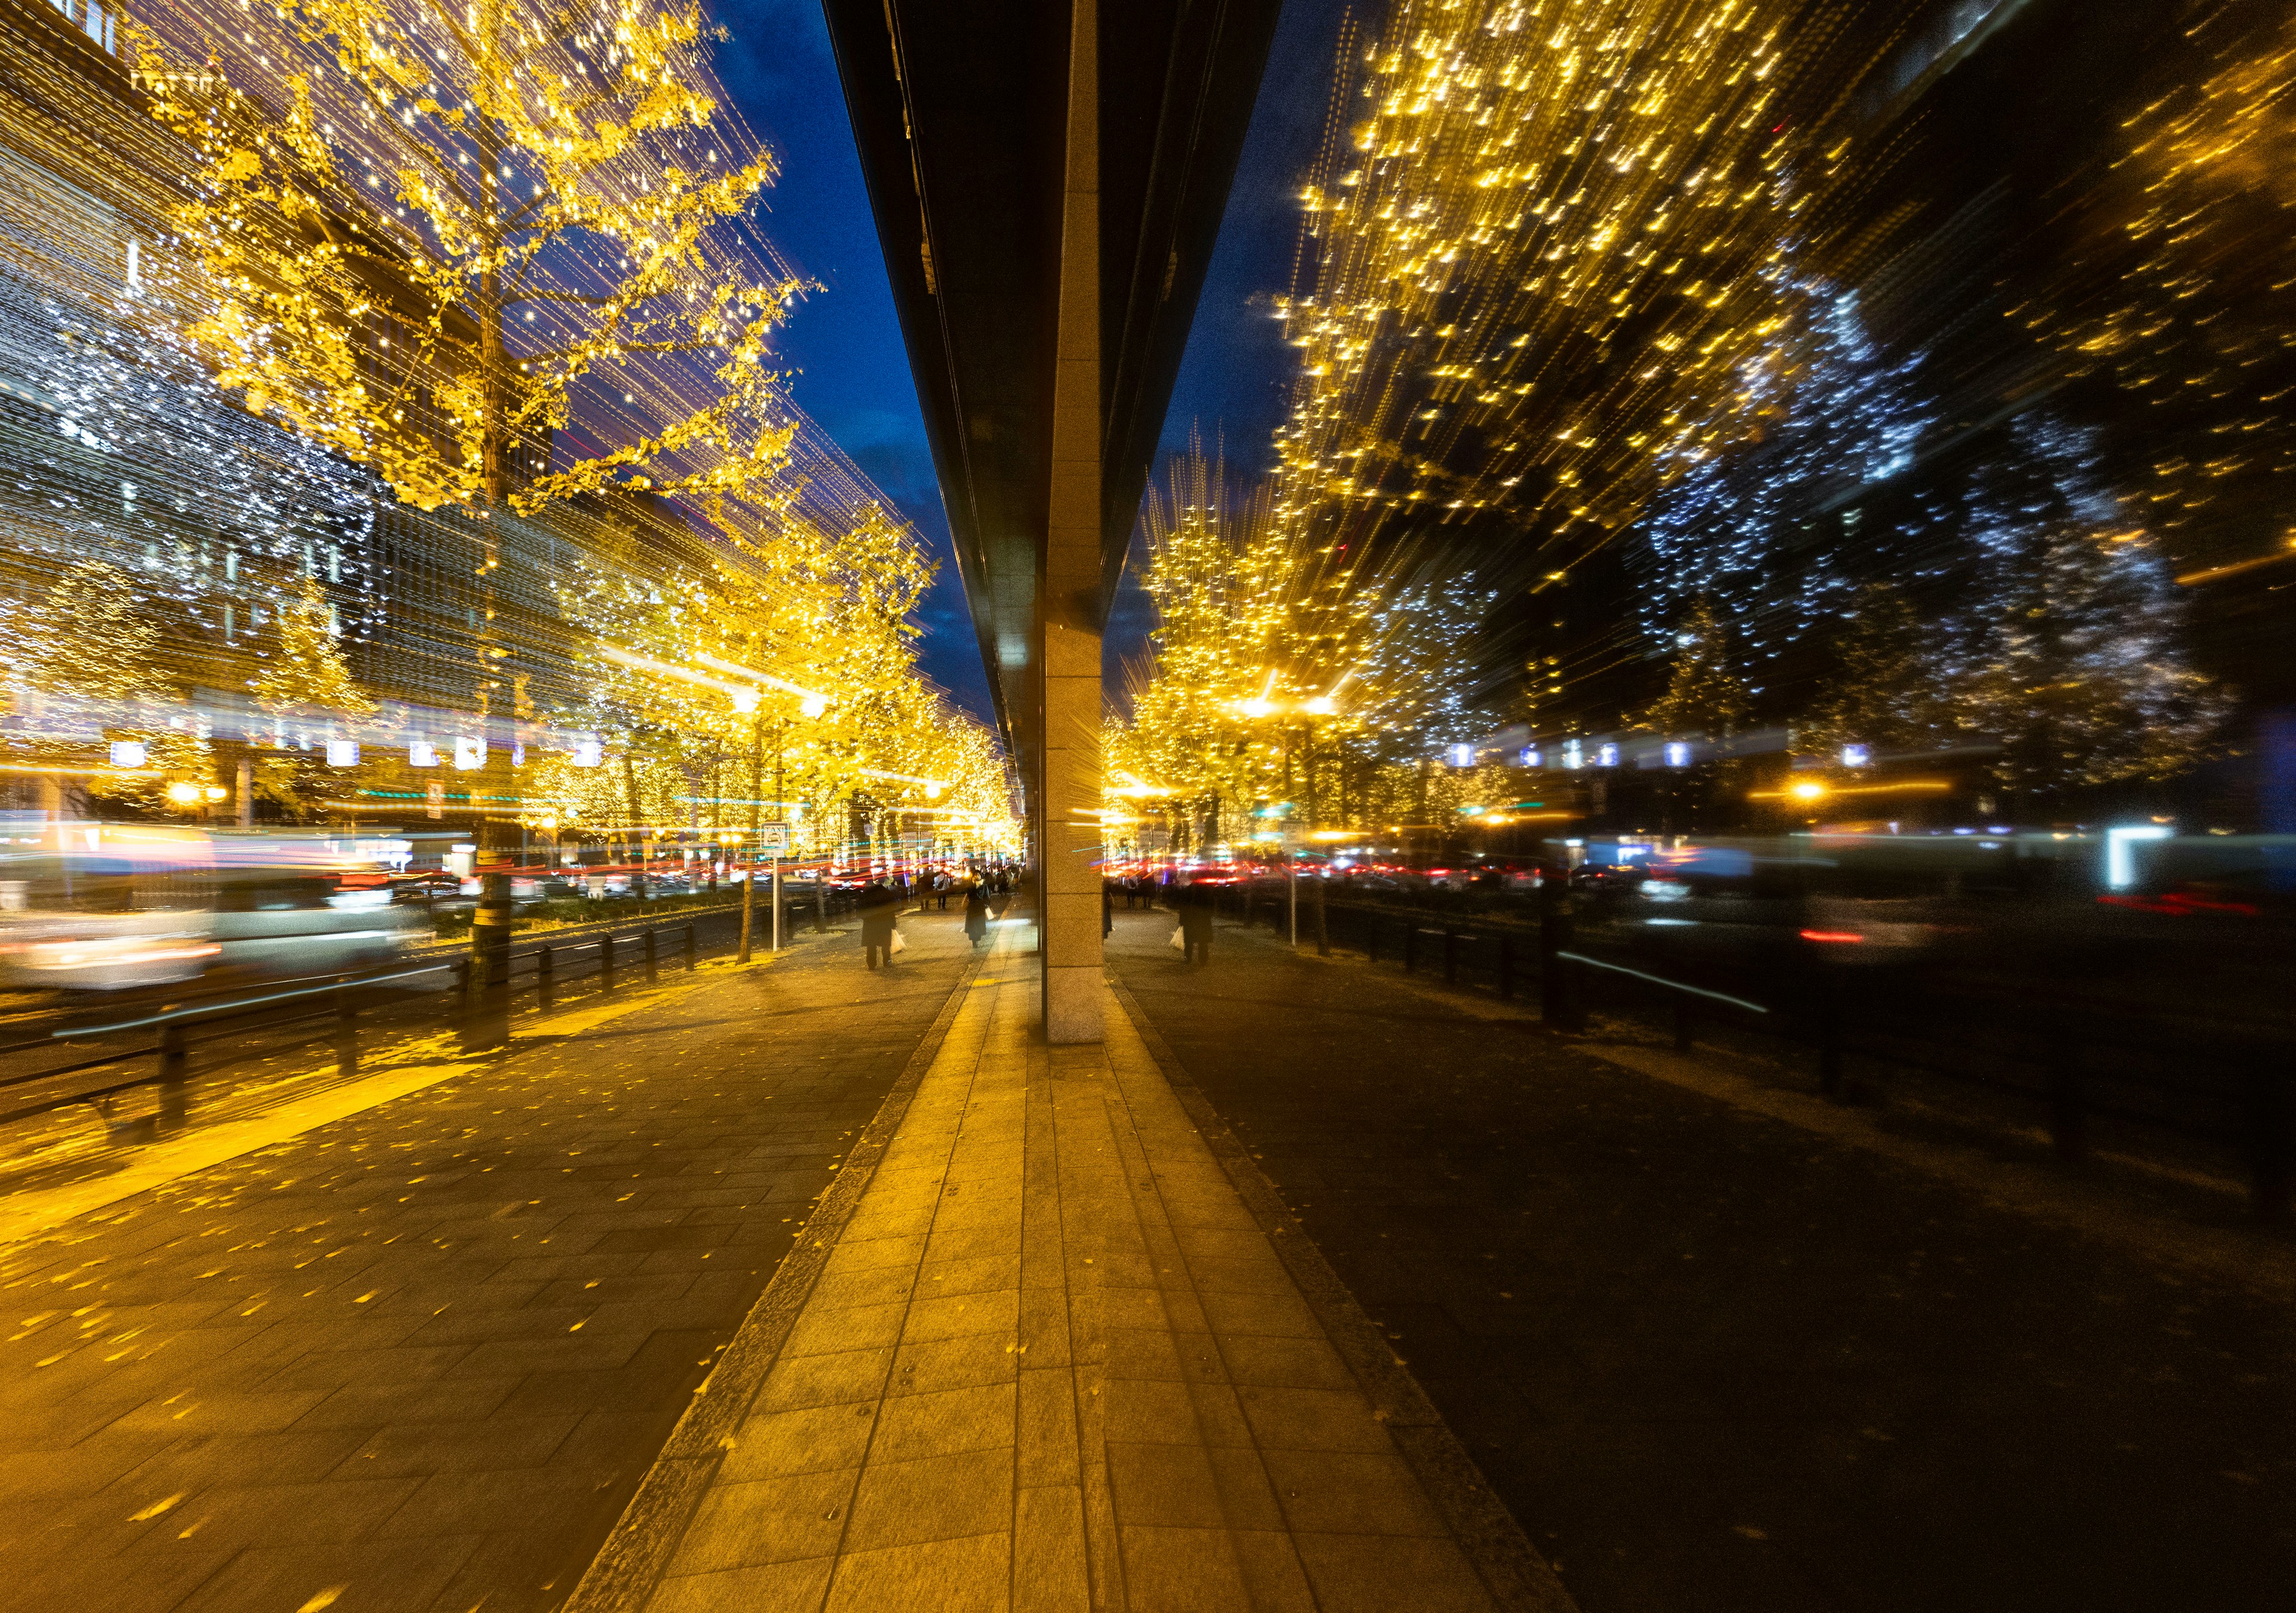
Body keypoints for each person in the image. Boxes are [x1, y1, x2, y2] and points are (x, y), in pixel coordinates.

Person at [859, 880, 900, 968]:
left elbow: (860, 908)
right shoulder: (887, 893)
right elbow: (891, 910)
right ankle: (886, 961)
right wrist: (893, 924)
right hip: (884, 923)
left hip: (870, 923)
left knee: (871, 945)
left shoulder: (867, 895)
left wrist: (865, 918)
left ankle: (871, 963)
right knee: (885, 943)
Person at [1176, 874, 1214, 966]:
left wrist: (1182, 921)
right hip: (1203, 920)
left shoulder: (1187, 891)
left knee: (1189, 940)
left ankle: (1188, 957)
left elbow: (1183, 907)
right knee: (1203, 941)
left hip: (1190, 919)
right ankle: (1203, 959)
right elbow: (1211, 906)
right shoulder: (1207, 891)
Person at [964, 880, 990, 949]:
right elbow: (968, 894)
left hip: (980, 908)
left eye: (978, 875)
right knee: (972, 925)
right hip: (971, 908)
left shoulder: (984, 886)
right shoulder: (970, 886)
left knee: (978, 925)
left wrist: (985, 904)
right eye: (975, 875)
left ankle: (977, 939)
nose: (976, 876)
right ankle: (974, 941)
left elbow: (987, 896)